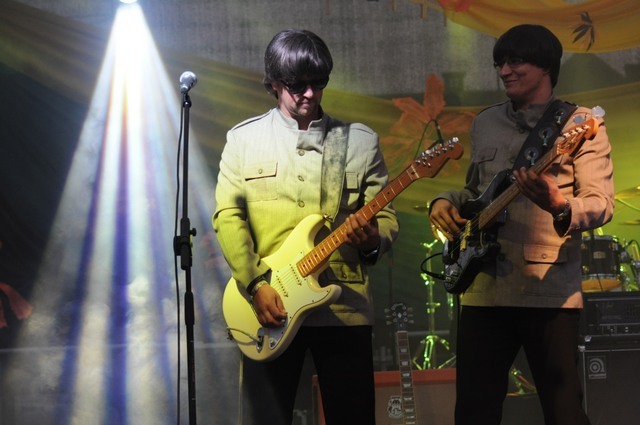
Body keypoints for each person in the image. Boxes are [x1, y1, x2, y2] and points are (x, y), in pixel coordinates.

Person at [429, 24, 614, 425]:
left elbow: (601, 204)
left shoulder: (579, 123)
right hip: (483, 289)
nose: (504, 71)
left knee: (564, 411)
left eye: (515, 61)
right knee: (474, 411)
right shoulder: (485, 122)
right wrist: (444, 200)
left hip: (548, 292)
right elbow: (476, 191)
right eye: (500, 63)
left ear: (545, 66)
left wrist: (559, 204)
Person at [213, 29, 399, 425]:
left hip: (344, 306)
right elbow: (228, 217)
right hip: (268, 306)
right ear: (273, 83)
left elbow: (385, 218)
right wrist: (255, 284)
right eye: (297, 84)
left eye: (319, 82)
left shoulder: (360, 142)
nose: (310, 94)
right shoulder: (243, 141)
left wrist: (372, 240)